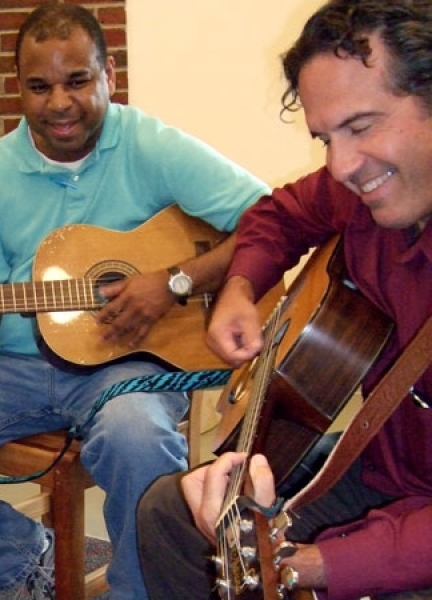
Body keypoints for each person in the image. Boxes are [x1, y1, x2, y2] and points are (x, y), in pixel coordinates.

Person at [0, 3, 269, 598]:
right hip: (17, 366)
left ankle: (142, 590)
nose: (59, 102)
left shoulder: (150, 145)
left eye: (78, 80)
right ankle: (25, 560)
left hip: (134, 362)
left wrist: (175, 282)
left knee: (135, 436)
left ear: (109, 76)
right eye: (40, 86)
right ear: (19, 90)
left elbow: (266, 222)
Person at [137, 1, 432, 599]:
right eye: (325, 137)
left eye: (361, 125)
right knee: (171, 512)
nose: (341, 165)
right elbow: (279, 215)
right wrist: (242, 287)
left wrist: (306, 563)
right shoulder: (362, 193)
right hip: (381, 472)